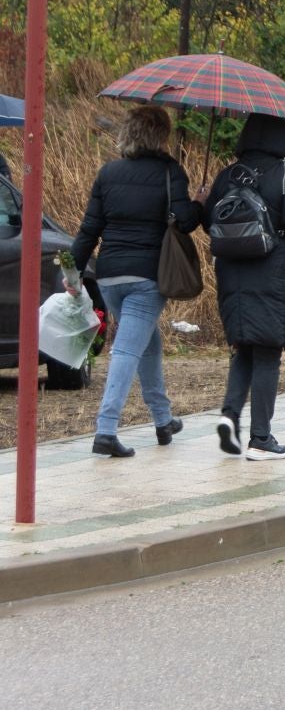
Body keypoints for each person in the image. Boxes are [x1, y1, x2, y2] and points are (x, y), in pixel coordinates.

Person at [71, 106, 205, 459]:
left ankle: (163, 420)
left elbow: (88, 231)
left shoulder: (108, 173)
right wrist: (200, 203)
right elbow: (185, 222)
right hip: (147, 277)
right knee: (128, 349)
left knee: (148, 343)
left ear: (128, 132)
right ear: (161, 135)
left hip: (110, 277)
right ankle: (105, 430)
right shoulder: (170, 172)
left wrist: (71, 275)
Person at [206, 114, 285, 461]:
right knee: (269, 352)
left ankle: (229, 416)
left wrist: (202, 199)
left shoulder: (227, 174)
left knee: (244, 347)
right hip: (272, 270)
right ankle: (261, 438)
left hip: (231, 273)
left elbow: (208, 220)